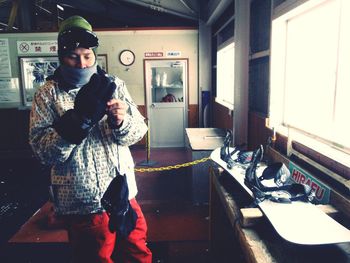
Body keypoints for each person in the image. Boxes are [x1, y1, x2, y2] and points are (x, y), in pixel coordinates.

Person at [29, 15, 152, 263]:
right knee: (95, 257)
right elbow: (42, 150)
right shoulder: (47, 94)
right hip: (81, 199)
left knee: (137, 251)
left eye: (87, 56)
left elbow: (139, 131)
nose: (82, 64)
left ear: (95, 54)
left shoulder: (113, 84)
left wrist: (122, 121)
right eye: (73, 56)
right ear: (61, 56)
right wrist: (76, 123)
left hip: (122, 191)